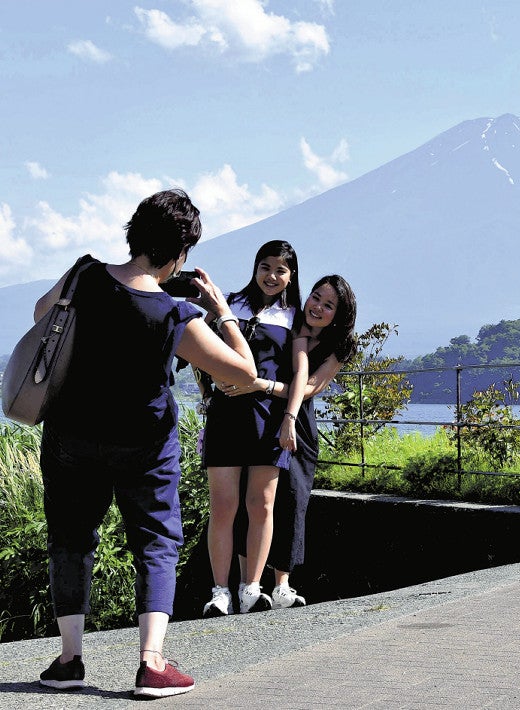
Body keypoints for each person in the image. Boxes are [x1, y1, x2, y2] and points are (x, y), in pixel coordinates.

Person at [36, 189, 257, 698]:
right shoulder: (173, 315)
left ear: (133, 232)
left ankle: (70, 660)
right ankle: (151, 664)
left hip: (71, 436)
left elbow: (39, 313)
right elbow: (242, 372)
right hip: (145, 444)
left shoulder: (85, 275)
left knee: (71, 537)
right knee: (156, 540)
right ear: (180, 254)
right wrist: (220, 309)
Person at [222, 275, 357, 608]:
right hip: (261, 418)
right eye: (316, 297)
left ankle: (282, 584)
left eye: (329, 305)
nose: (318, 307)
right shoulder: (287, 322)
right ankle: (246, 584)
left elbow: (311, 387)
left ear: (338, 315)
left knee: (292, 500)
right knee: (252, 501)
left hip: (298, 426)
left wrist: (260, 386)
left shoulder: (341, 344)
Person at [199, 240, 301, 617]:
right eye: (265, 266)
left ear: (291, 276)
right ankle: (219, 591)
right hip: (225, 415)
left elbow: (297, 374)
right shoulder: (229, 305)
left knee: (261, 504)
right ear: (254, 267)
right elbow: (200, 348)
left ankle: (251, 588)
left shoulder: (295, 317)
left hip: (269, 418)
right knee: (223, 505)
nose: (272, 276)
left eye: (281, 269)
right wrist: (209, 382)